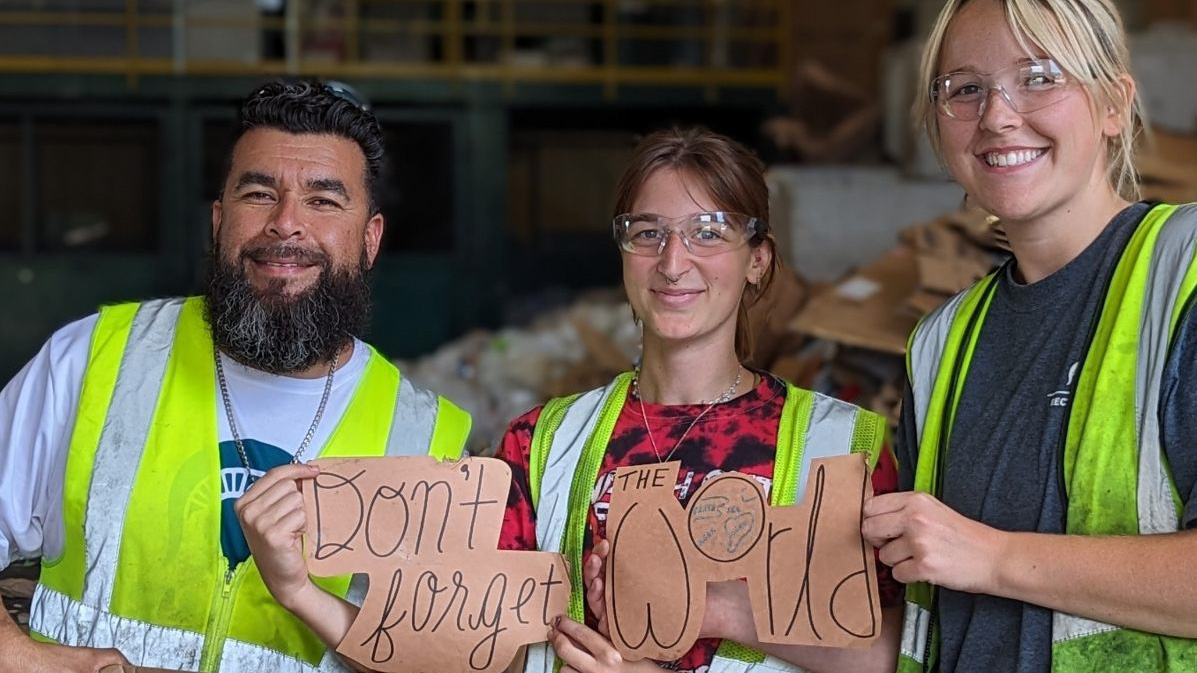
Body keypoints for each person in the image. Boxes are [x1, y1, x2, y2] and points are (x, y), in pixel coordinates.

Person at [0, 80, 470, 673]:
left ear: (369, 240)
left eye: (323, 200)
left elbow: (436, 661)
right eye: (258, 193)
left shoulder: (428, 444)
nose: (286, 223)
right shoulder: (95, 359)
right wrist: (26, 658)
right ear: (219, 220)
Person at [859, 1, 1197, 671]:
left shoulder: (1182, 272)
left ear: (1113, 106)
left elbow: (971, 559)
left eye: (1038, 76)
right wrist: (722, 608)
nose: (996, 115)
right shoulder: (940, 342)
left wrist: (993, 556)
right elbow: (926, 629)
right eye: (965, 88)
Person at [495, 127, 904, 673]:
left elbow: (890, 655)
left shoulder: (841, 447)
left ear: (758, 259)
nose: (672, 261)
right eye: (647, 232)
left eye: (708, 232)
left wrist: (718, 609)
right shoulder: (538, 443)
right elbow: (482, 642)